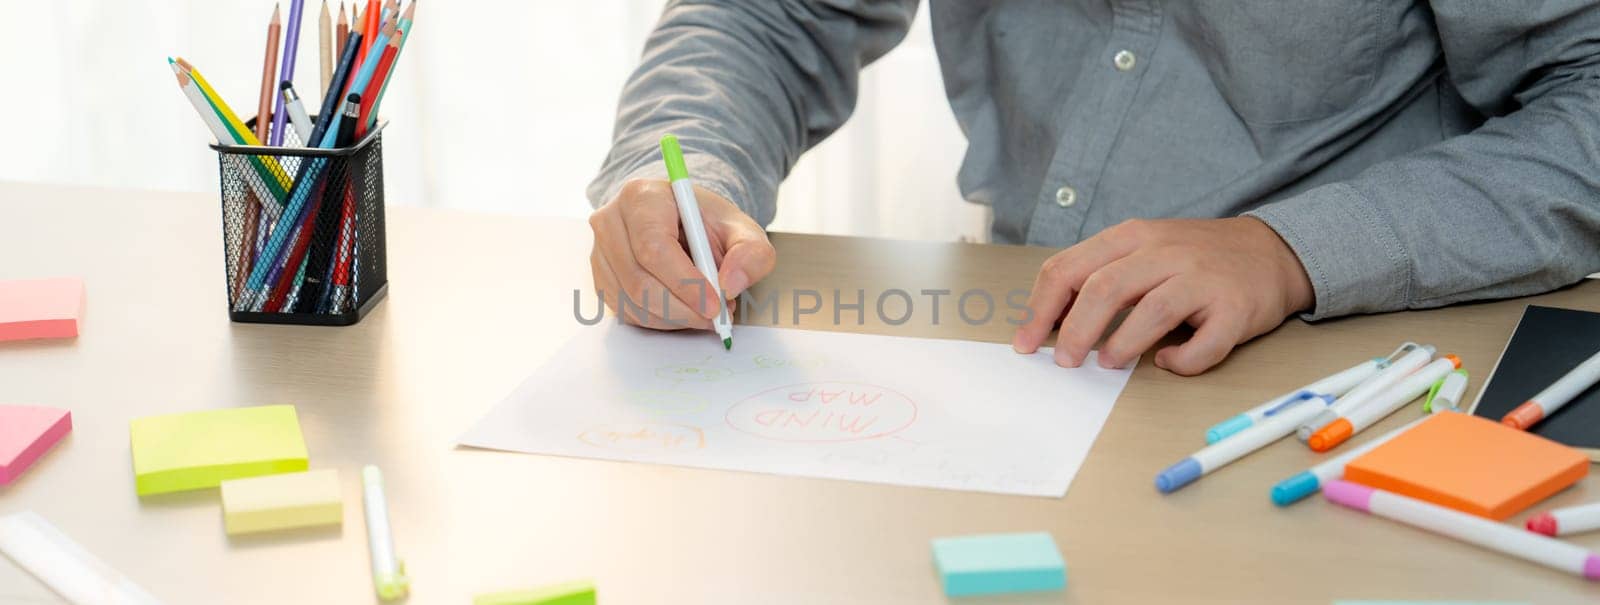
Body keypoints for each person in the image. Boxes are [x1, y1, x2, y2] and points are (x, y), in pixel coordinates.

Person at [585, 1, 1600, 375]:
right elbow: (773, 16)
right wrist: (682, 169)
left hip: (1351, 364)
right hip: (1031, 352)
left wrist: (1289, 250)